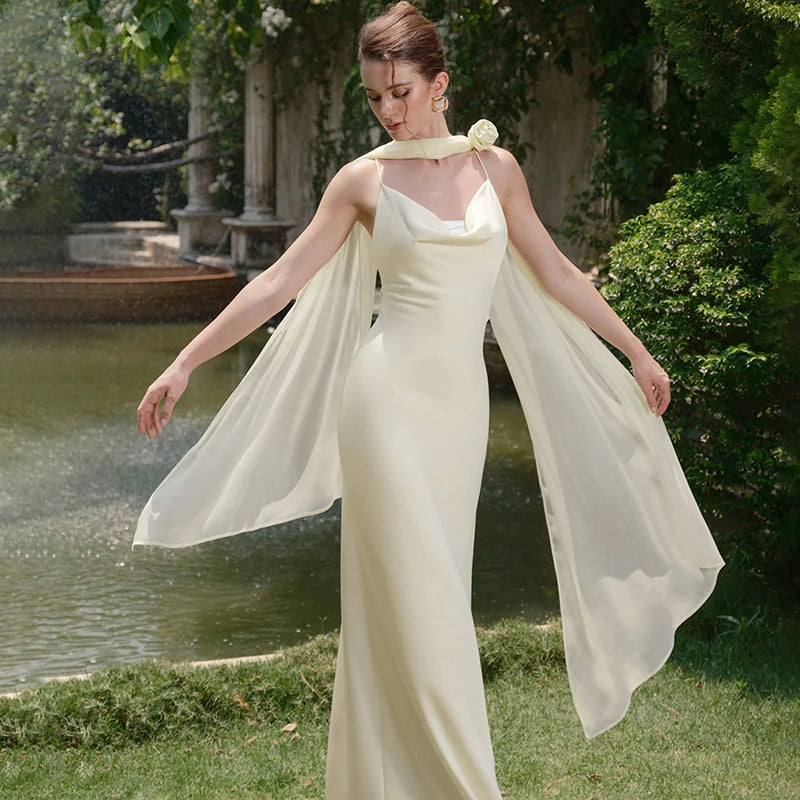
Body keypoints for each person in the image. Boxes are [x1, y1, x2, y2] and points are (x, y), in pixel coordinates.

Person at [135, 3, 724, 797]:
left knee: (433, 595)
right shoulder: (362, 181)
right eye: (376, 96)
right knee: (426, 607)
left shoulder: (497, 170)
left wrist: (637, 350)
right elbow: (279, 282)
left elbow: (555, 273)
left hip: (458, 411)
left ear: (441, 84)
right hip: (383, 406)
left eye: (402, 92)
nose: (389, 111)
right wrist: (183, 363)